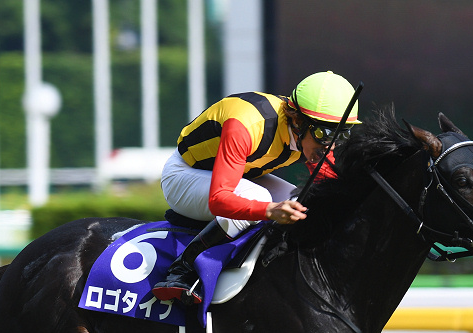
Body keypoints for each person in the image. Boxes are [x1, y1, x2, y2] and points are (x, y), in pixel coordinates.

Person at [152, 70, 361, 305]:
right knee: (259, 197)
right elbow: (219, 199)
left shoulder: (309, 133)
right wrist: (269, 210)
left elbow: (330, 186)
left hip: (237, 176)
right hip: (183, 175)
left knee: (300, 201)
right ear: (298, 121)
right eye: (325, 134)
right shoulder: (245, 124)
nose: (329, 145)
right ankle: (182, 269)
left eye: (341, 135)